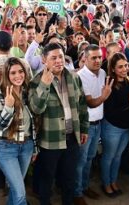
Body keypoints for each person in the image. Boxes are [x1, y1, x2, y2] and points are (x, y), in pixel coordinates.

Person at [28, 43, 89, 205]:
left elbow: (82, 105)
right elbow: (36, 109)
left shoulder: (74, 77)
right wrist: (44, 85)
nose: (58, 61)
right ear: (44, 60)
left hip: (72, 137)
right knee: (47, 179)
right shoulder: (36, 81)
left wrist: (83, 128)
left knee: (69, 177)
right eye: (53, 58)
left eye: (60, 56)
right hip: (50, 140)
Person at [0, 57, 37, 205]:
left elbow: (32, 124)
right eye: (13, 73)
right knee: (20, 192)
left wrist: (34, 148)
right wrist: (8, 107)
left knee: (16, 190)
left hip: (27, 145)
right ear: (6, 75)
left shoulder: (27, 91)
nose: (18, 76)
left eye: (20, 71)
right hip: (6, 148)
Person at [74, 45, 110, 205]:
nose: (97, 60)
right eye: (93, 58)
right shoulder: (80, 76)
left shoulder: (102, 72)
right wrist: (103, 97)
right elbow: (90, 102)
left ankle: (84, 186)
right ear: (85, 59)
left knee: (89, 158)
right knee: (80, 161)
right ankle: (77, 193)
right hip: (85, 125)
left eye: (99, 57)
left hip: (98, 123)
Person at [101, 52, 129, 198]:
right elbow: (111, 111)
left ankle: (113, 181)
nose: (124, 69)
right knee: (109, 156)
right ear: (113, 69)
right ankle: (106, 183)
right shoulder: (109, 83)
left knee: (118, 156)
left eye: (125, 65)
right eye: (120, 67)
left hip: (127, 127)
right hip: (112, 127)